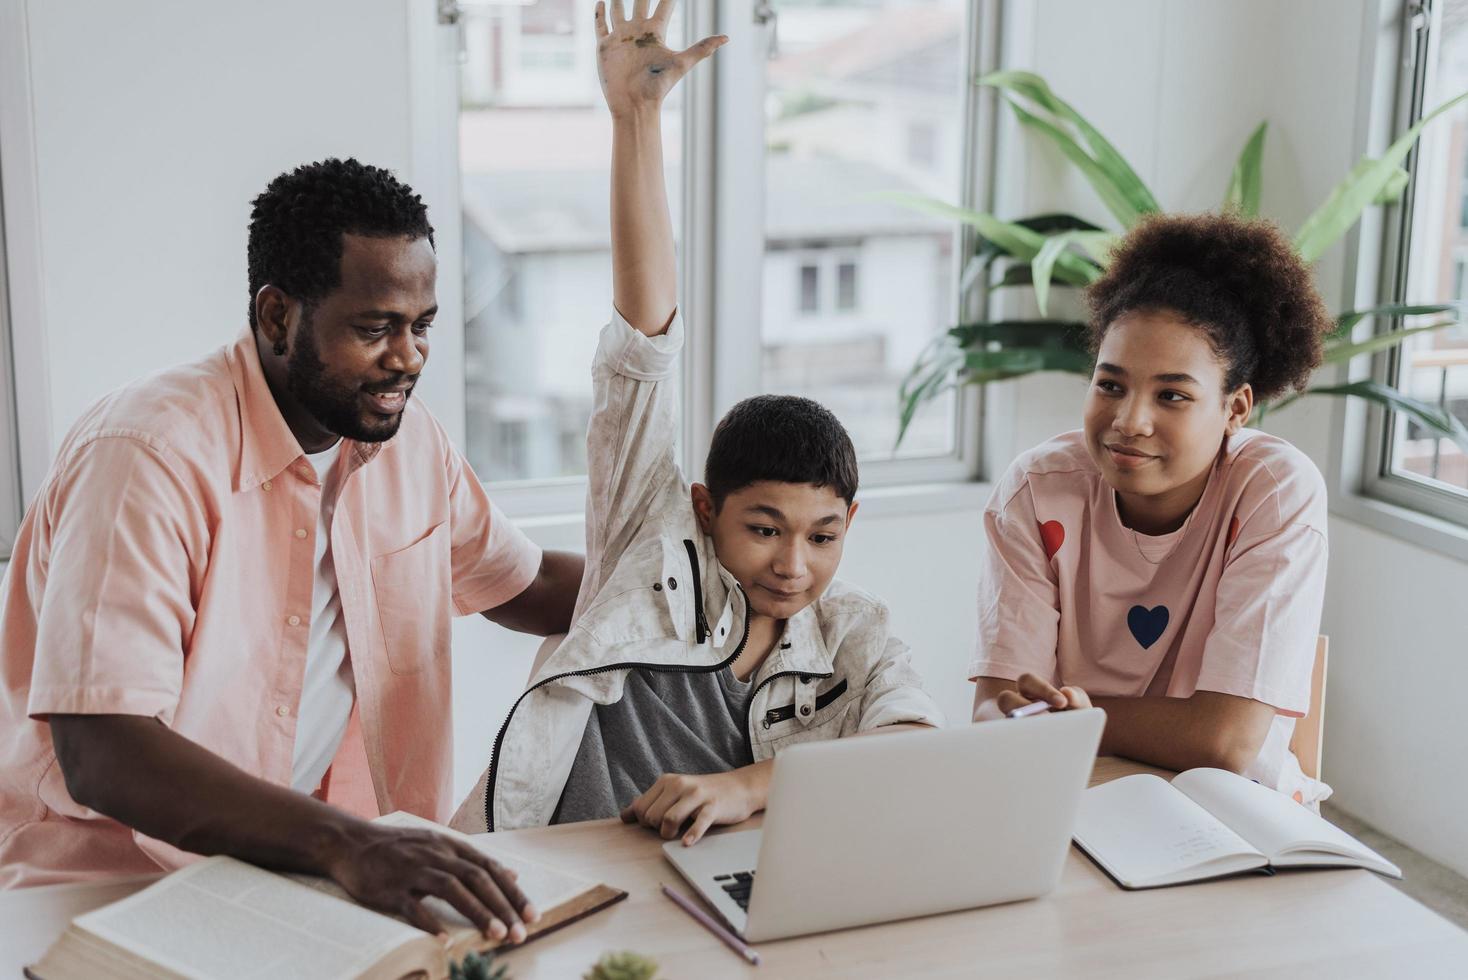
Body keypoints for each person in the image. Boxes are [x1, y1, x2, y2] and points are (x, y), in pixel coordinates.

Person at [0, 158, 584, 940]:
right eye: (375, 328)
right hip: (107, 890)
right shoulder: (145, 454)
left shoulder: (412, 448)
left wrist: (736, 578)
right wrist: (349, 845)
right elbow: (104, 749)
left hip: (301, 881)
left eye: (423, 327)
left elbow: (533, 585)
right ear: (277, 317)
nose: (408, 358)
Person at [451, 0, 943, 845]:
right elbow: (643, 346)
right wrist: (635, 119)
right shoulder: (648, 544)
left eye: (823, 536)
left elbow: (914, 754)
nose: (793, 565)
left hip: (716, 904)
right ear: (705, 507)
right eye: (764, 528)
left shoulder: (852, 632)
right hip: (556, 879)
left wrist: (747, 787)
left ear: (850, 525)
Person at [970, 212, 1335, 805]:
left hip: (1235, 812)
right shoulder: (1037, 491)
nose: (1129, 422)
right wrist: (1017, 718)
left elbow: (1225, 743)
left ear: (1236, 407)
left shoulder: (1273, 491)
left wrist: (1075, 718)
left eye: (1172, 395)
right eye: (1110, 384)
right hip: (1074, 794)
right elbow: (994, 710)